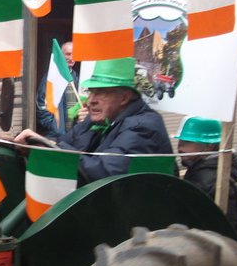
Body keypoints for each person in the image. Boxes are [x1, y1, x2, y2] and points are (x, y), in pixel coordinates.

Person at [13, 57, 174, 185]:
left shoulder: (143, 126)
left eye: (101, 92)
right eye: (91, 92)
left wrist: (50, 147)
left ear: (124, 98)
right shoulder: (96, 121)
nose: (91, 101)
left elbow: (106, 175)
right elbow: (64, 141)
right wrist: (31, 144)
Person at [175, 116, 237, 238]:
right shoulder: (198, 170)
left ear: (209, 146)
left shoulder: (216, 181)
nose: (180, 148)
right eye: (180, 141)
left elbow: (229, 230)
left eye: (187, 142)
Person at [36, 41, 82, 139]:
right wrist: (53, 126)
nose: (71, 58)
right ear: (61, 55)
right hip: (54, 136)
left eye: (74, 54)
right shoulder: (51, 77)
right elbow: (41, 104)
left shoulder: (77, 78)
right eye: (68, 54)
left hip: (72, 135)